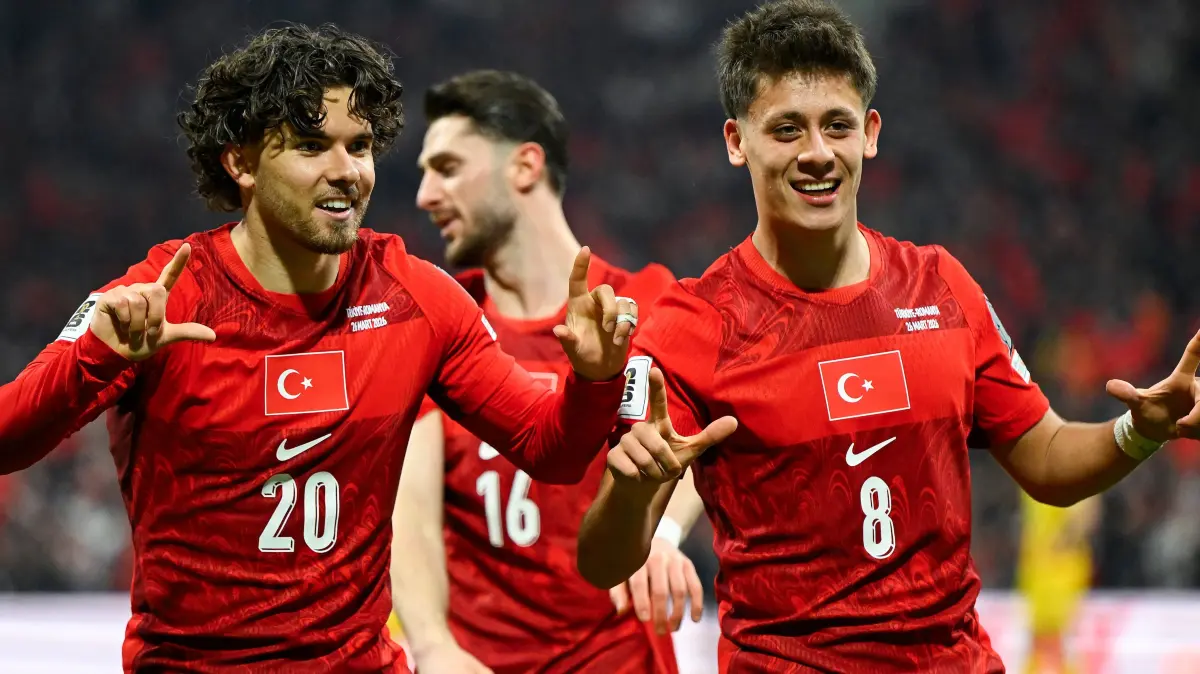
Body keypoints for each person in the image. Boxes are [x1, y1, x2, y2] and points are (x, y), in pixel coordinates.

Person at [575, 1, 1200, 672]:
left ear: (870, 133)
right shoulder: (691, 326)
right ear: (737, 142)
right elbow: (603, 559)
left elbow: (1045, 457)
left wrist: (1138, 432)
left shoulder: (942, 287)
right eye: (787, 129)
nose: (817, 153)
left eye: (836, 125)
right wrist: (635, 487)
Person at [0, 23, 639, 673]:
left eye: (358, 146)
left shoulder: (415, 299)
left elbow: (550, 450)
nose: (346, 172)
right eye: (311, 146)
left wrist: (593, 380)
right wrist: (97, 357)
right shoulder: (158, 299)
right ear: (241, 161)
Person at [390, 69, 706, 674]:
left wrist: (662, 532)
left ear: (526, 166)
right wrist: (431, 645)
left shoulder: (646, 302)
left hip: (620, 660)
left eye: (449, 168)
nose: (425, 194)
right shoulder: (441, 326)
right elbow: (412, 513)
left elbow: (686, 439)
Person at [1016, 494, 1099, 674]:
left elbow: (1086, 513)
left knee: (1062, 640)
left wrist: (1058, 544)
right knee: (1039, 638)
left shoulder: (1072, 467)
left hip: (1061, 568)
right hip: (1036, 568)